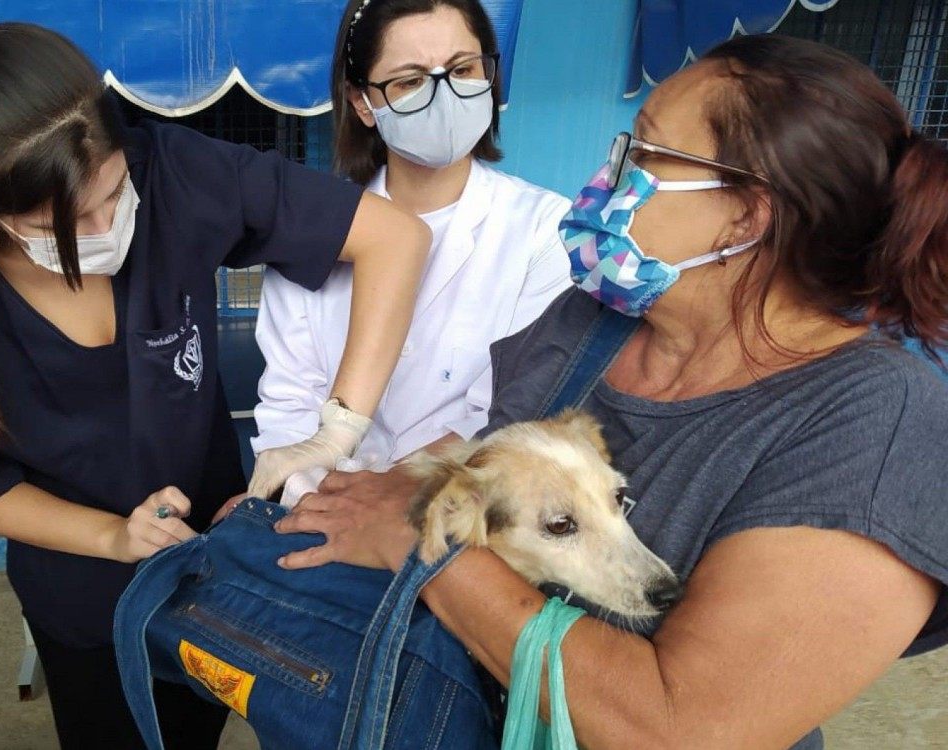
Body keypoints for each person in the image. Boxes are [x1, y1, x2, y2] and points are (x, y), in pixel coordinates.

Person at [273, 34, 948, 749]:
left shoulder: (877, 423)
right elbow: (494, 466)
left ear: (746, 216)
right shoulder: (596, 321)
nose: (607, 176)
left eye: (645, 157)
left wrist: (425, 544)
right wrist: (323, 502)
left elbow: (675, 729)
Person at [0, 22, 429, 750]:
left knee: (195, 726)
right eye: (69, 222)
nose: (110, 227)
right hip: (84, 601)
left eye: (114, 191)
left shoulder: (176, 174)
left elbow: (396, 238)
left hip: (208, 568)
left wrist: (339, 431)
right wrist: (112, 535)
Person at [250, 0, 572, 482]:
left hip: (462, 514)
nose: (444, 97)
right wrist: (318, 506)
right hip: (318, 512)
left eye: (463, 69)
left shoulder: (544, 229)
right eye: (409, 80)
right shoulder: (312, 235)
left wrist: (379, 501)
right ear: (363, 102)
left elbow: (506, 414)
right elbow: (289, 406)